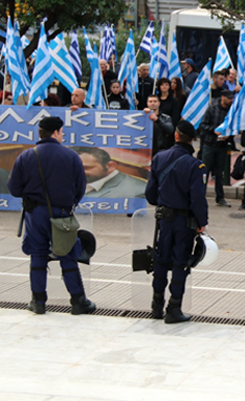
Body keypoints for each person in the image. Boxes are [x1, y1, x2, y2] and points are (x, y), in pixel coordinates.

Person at [7, 116, 96, 315]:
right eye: (62, 132)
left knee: (37, 255)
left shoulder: (26, 156)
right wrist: (69, 202)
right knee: (67, 254)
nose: (62, 135)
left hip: (34, 214)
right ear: (55, 132)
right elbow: (80, 188)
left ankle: (38, 301)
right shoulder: (71, 156)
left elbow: (14, 188)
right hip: (62, 214)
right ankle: (78, 301)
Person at [145, 120, 208, 324]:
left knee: (161, 260)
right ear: (192, 140)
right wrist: (202, 222)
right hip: (184, 222)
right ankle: (174, 308)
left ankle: (156, 306)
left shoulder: (159, 158)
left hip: (164, 219)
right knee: (180, 263)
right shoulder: (195, 165)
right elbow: (197, 198)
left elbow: (150, 195)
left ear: (175, 136)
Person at [198, 89, 235, 207]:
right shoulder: (212, 109)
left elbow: (233, 127)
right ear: (222, 97)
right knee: (205, 171)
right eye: (229, 98)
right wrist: (214, 131)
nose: (231, 100)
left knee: (219, 174)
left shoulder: (231, 111)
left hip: (222, 146)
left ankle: (220, 197)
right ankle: (200, 196)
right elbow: (203, 126)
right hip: (210, 145)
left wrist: (229, 135)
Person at [72, 147, 147, 198]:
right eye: (72, 167)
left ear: (110, 166)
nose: (77, 172)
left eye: (85, 168)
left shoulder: (138, 191)